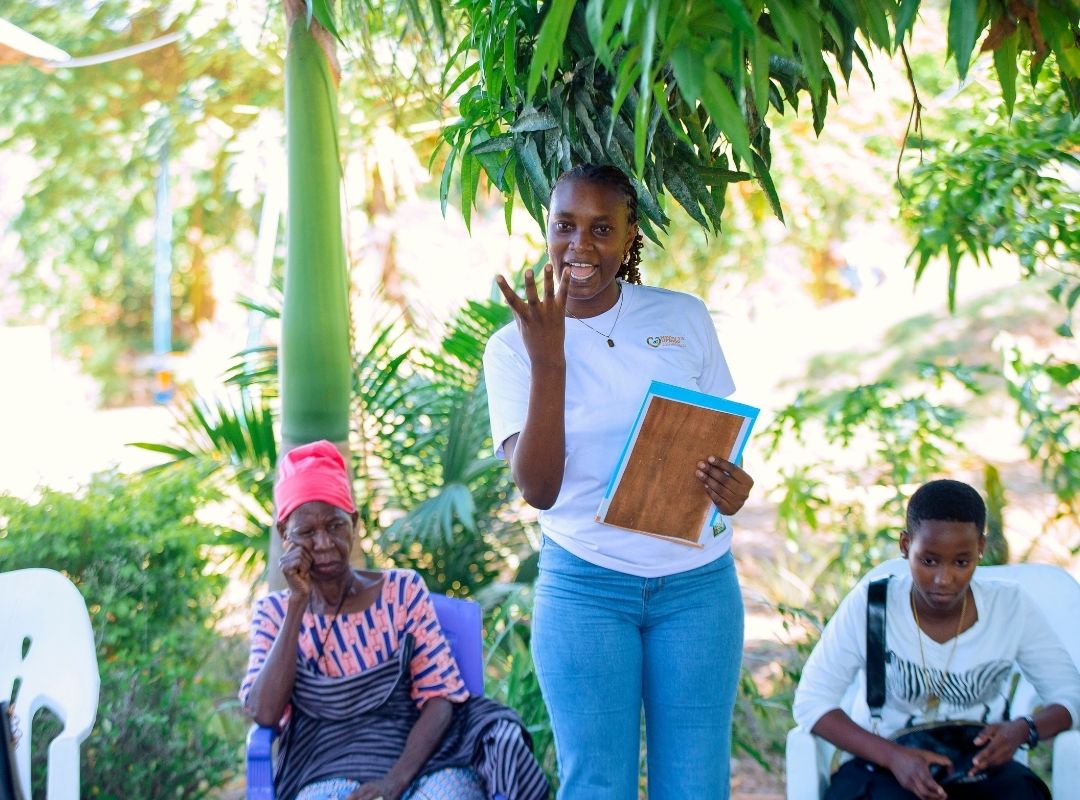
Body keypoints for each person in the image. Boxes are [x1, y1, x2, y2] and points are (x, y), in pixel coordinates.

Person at [482, 163, 754, 799]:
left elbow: (716, 441)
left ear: (631, 235)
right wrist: (549, 360)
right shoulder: (512, 347)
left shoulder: (683, 317)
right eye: (565, 226)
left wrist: (734, 489)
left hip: (698, 589)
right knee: (597, 786)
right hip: (586, 588)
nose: (580, 245)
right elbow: (538, 489)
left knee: (697, 787)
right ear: (547, 230)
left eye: (602, 229)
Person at [241, 440, 549, 800]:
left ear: (354, 523)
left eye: (335, 525)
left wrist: (394, 783)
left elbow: (440, 699)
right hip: (323, 769)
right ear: (284, 535)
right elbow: (264, 713)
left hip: (420, 764)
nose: (323, 543)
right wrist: (297, 603)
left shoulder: (401, 592)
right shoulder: (274, 613)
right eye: (306, 533)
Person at [793, 479, 1080, 800]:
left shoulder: (1010, 606)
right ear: (905, 545)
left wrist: (1023, 729)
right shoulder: (873, 606)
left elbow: (1070, 696)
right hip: (884, 764)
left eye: (961, 562)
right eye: (929, 561)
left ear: (980, 548)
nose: (944, 579)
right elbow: (812, 703)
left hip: (980, 769)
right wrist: (893, 757)